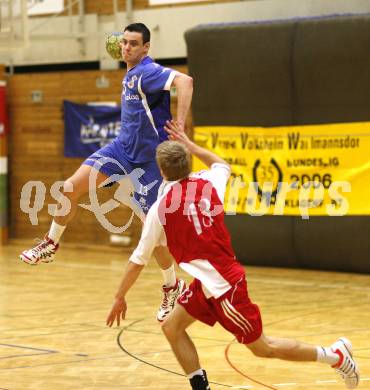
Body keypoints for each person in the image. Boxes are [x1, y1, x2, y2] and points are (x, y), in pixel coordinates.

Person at [106, 120, 360, 390]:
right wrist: (191, 144)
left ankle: (335, 356)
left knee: (264, 348)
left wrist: (120, 296)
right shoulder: (209, 182)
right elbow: (221, 164)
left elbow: (137, 261)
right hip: (207, 284)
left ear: (161, 171)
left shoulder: (160, 209)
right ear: (189, 163)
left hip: (224, 287)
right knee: (171, 326)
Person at [20, 23, 192, 322]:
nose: (127, 48)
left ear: (146, 48)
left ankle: (172, 285)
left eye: (134, 44)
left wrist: (180, 123)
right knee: (70, 188)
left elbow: (186, 81)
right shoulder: (130, 72)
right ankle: (51, 242)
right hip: (121, 150)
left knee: (155, 236)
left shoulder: (147, 72)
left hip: (149, 163)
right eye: (124, 42)